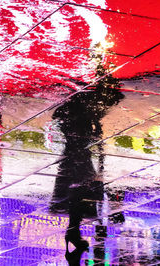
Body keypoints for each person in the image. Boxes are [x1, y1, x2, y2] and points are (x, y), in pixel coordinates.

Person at [50, 74, 124, 265]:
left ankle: (72, 234)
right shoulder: (82, 114)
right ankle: (72, 234)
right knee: (77, 190)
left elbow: (86, 140)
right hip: (76, 155)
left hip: (77, 156)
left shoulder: (79, 115)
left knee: (78, 188)